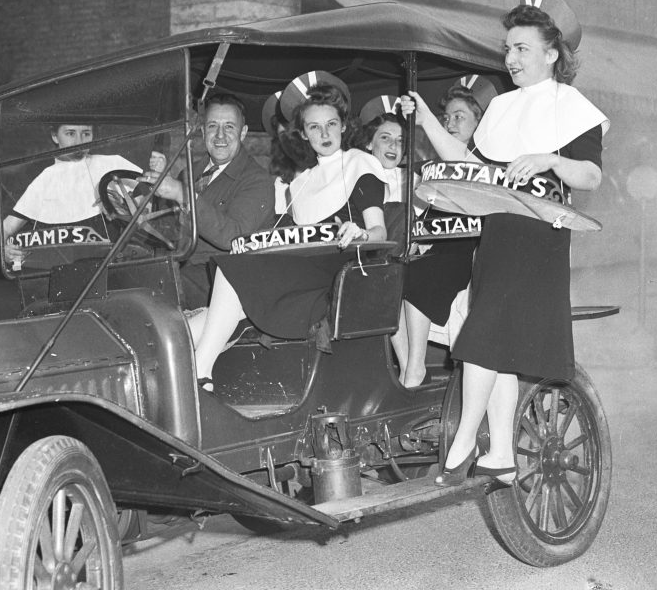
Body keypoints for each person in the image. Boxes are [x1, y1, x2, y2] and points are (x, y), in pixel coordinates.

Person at [402, 0, 608, 485]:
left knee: (485, 331)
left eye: (522, 49)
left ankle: (465, 438)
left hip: (540, 236)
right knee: (496, 337)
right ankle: (500, 455)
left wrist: (550, 159)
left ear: (552, 53)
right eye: (509, 48)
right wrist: (425, 118)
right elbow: (469, 163)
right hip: (498, 231)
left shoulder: (572, 105)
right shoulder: (500, 108)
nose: (510, 59)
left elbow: (592, 177)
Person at [191, 80, 388, 386]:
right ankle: (194, 368)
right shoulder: (302, 182)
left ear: (344, 127)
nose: (324, 134)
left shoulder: (360, 164)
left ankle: (200, 367)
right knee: (233, 271)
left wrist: (360, 233)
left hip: (338, 274)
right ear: (304, 134)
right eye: (314, 127)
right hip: (301, 269)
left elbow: (380, 231)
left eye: (331, 124)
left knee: (237, 272)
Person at [392, 77, 491, 388]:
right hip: (439, 245)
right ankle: (408, 364)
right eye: (446, 118)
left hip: (473, 249)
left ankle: (415, 366)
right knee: (389, 276)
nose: (450, 124)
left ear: (480, 122)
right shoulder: (436, 166)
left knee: (423, 274)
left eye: (459, 117)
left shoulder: (488, 163)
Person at [139, 93, 275, 309]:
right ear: (203, 132)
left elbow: (234, 237)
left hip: (222, 279)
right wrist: (149, 201)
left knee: (149, 295)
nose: (220, 135)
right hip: (179, 268)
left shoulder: (257, 181)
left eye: (229, 127)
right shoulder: (190, 174)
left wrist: (182, 194)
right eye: (213, 126)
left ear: (243, 133)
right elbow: (170, 229)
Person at [0, 122, 141, 269]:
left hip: (112, 266)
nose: (79, 142)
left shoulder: (112, 163)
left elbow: (148, 202)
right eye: (70, 133)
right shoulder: (45, 179)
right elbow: (4, 229)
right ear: (55, 136)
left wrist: (125, 207)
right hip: (61, 270)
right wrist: (3, 250)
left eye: (86, 134)